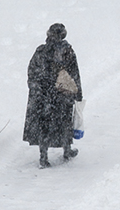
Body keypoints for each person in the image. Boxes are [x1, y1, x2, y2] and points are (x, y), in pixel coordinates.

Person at [23, 23, 83, 168]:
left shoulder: (40, 51)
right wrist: (78, 93)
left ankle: (43, 157)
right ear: (63, 35)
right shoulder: (67, 51)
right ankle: (66, 151)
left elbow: (31, 70)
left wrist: (36, 88)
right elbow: (74, 73)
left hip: (43, 95)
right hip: (62, 94)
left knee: (44, 124)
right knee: (64, 122)